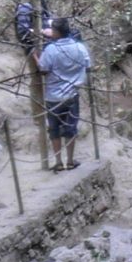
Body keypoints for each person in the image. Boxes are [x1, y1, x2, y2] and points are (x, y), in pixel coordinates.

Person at [38, 16, 92, 169]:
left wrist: (36, 57)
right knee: (70, 128)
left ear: (55, 32)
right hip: (71, 95)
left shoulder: (50, 50)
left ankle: (58, 162)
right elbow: (88, 66)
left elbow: (43, 70)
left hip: (53, 96)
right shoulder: (80, 48)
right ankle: (70, 160)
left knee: (54, 129)